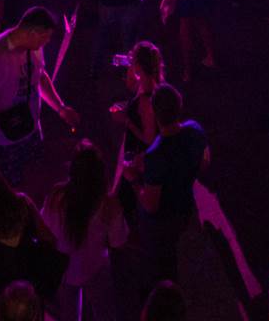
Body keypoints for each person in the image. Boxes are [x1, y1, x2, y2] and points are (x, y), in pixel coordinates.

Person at [41, 141, 129, 321]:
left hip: (64, 270)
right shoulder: (108, 205)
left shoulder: (56, 196)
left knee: (69, 315)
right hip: (96, 267)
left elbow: (45, 229)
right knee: (105, 313)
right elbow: (118, 242)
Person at [131, 83, 209, 282]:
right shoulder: (194, 130)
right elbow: (204, 162)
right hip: (186, 202)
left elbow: (151, 205)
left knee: (163, 256)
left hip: (165, 219)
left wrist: (134, 181)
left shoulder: (155, 155)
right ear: (179, 105)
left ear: (154, 113)